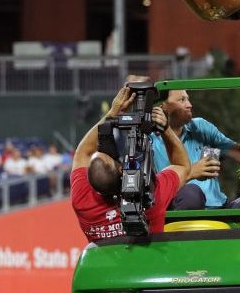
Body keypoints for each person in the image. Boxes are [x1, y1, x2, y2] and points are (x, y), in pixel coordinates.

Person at [69, 85, 190, 240]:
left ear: (89, 182)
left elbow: (83, 152)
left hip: (110, 264)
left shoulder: (82, 200)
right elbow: (183, 166)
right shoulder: (151, 198)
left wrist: (111, 114)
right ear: (122, 171)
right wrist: (165, 128)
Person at [148, 88, 240, 209]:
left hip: (220, 208)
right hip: (181, 210)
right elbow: (154, 193)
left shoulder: (200, 127)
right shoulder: (149, 141)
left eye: (188, 99)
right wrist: (191, 172)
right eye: (182, 100)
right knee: (191, 194)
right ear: (162, 106)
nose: (189, 105)